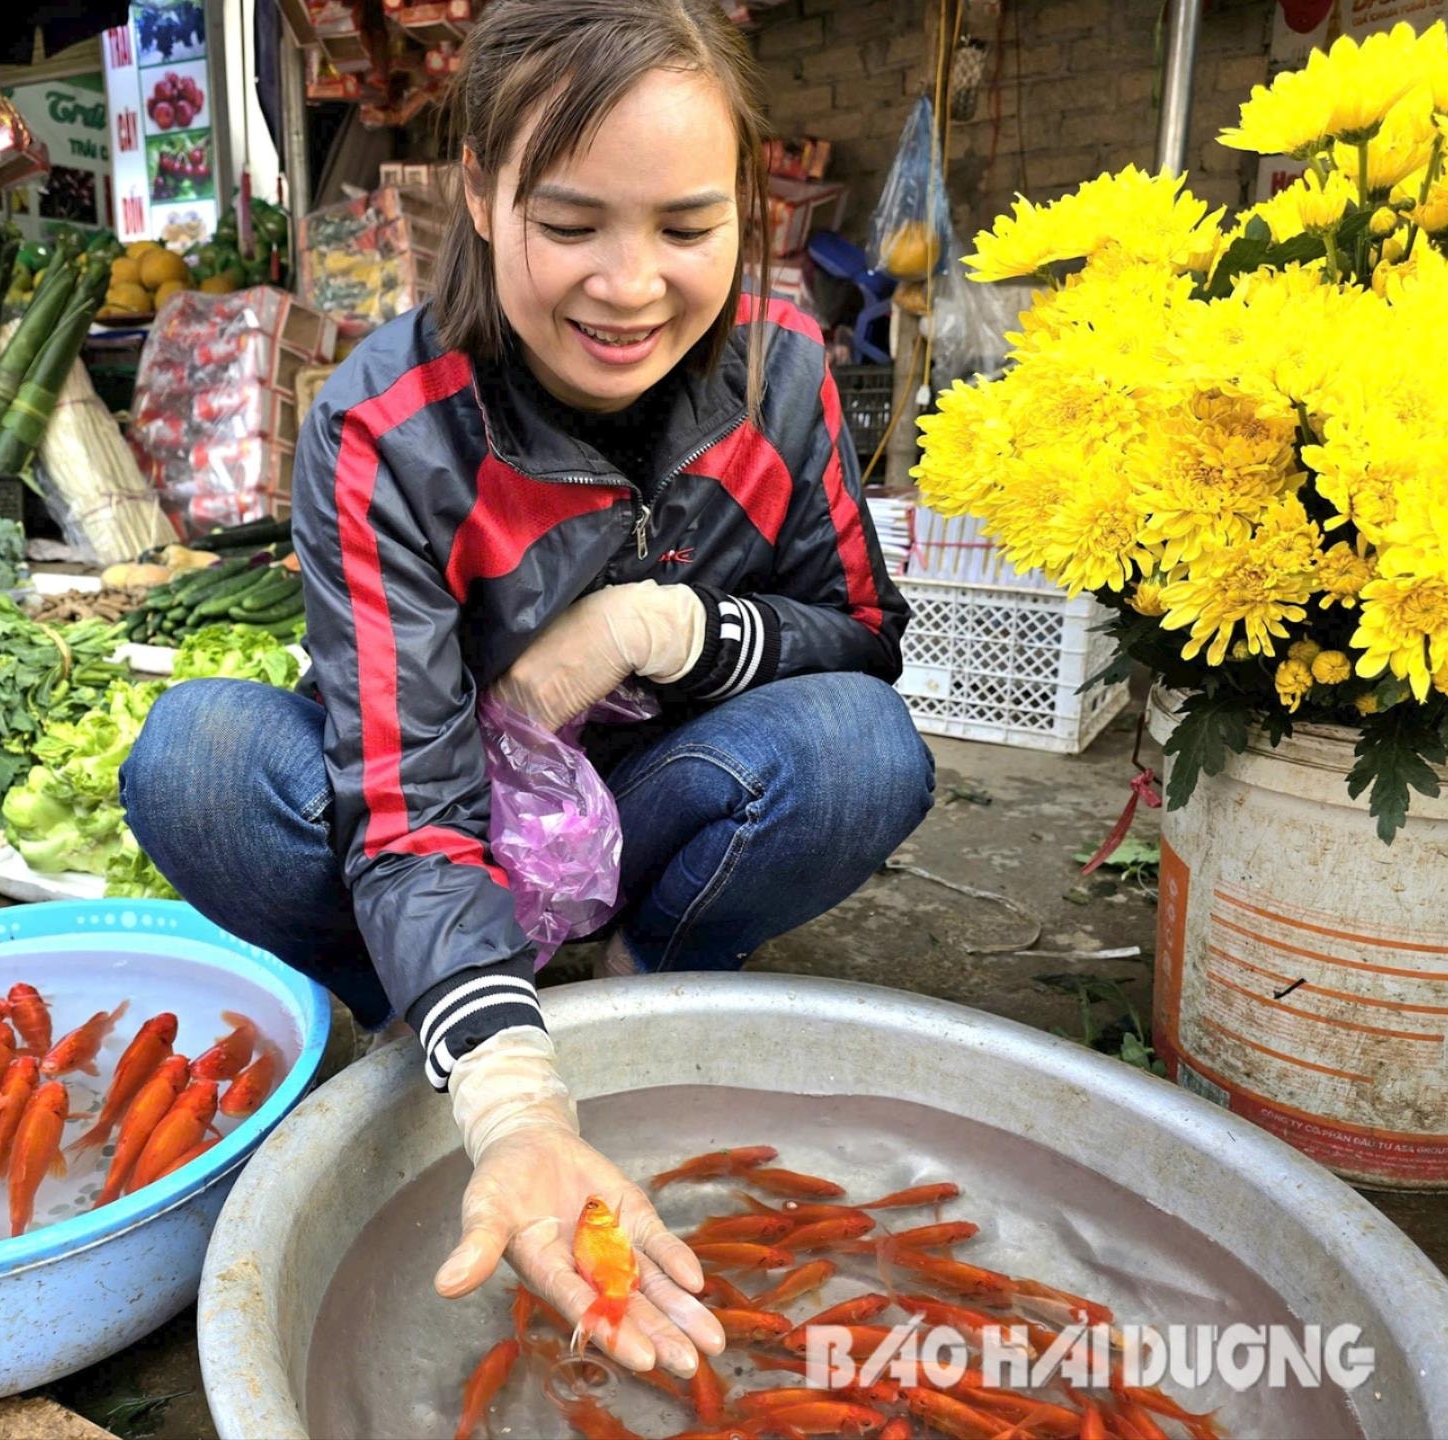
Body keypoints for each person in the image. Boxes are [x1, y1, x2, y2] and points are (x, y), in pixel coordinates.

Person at [121, 0, 932, 1378]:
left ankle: (641, 984)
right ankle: (431, 1029)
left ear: (745, 209)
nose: (631, 286)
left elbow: (859, 633)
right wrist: (511, 1110)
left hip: (654, 808)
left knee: (860, 749)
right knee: (199, 756)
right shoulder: (386, 421)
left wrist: (671, 626)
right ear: (484, 197)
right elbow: (404, 795)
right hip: (448, 819)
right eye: (571, 226)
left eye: (687, 228)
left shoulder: (782, 376)